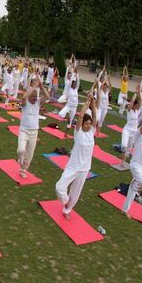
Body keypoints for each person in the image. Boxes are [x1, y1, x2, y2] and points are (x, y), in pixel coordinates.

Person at [55, 92, 96, 220]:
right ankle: (65, 200)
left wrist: (93, 104)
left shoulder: (91, 131)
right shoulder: (78, 132)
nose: (88, 125)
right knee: (59, 187)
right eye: (86, 123)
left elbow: (94, 116)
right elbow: (81, 115)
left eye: (90, 123)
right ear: (82, 124)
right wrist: (88, 101)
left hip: (84, 168)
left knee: (76, 193)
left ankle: (67, 210)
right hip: (73, 166)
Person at [18, 70, 50, 178]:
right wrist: (34, 86)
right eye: (33, 97)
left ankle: (23, 169)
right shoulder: (25, 102)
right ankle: (20, 157)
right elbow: (24, 97)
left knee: (29, 155)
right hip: (24, 130)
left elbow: (48, 97)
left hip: (34, 131)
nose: (34, 98)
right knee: (21, 150)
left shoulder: (38, 102)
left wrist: (41, 87)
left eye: (36, 97)